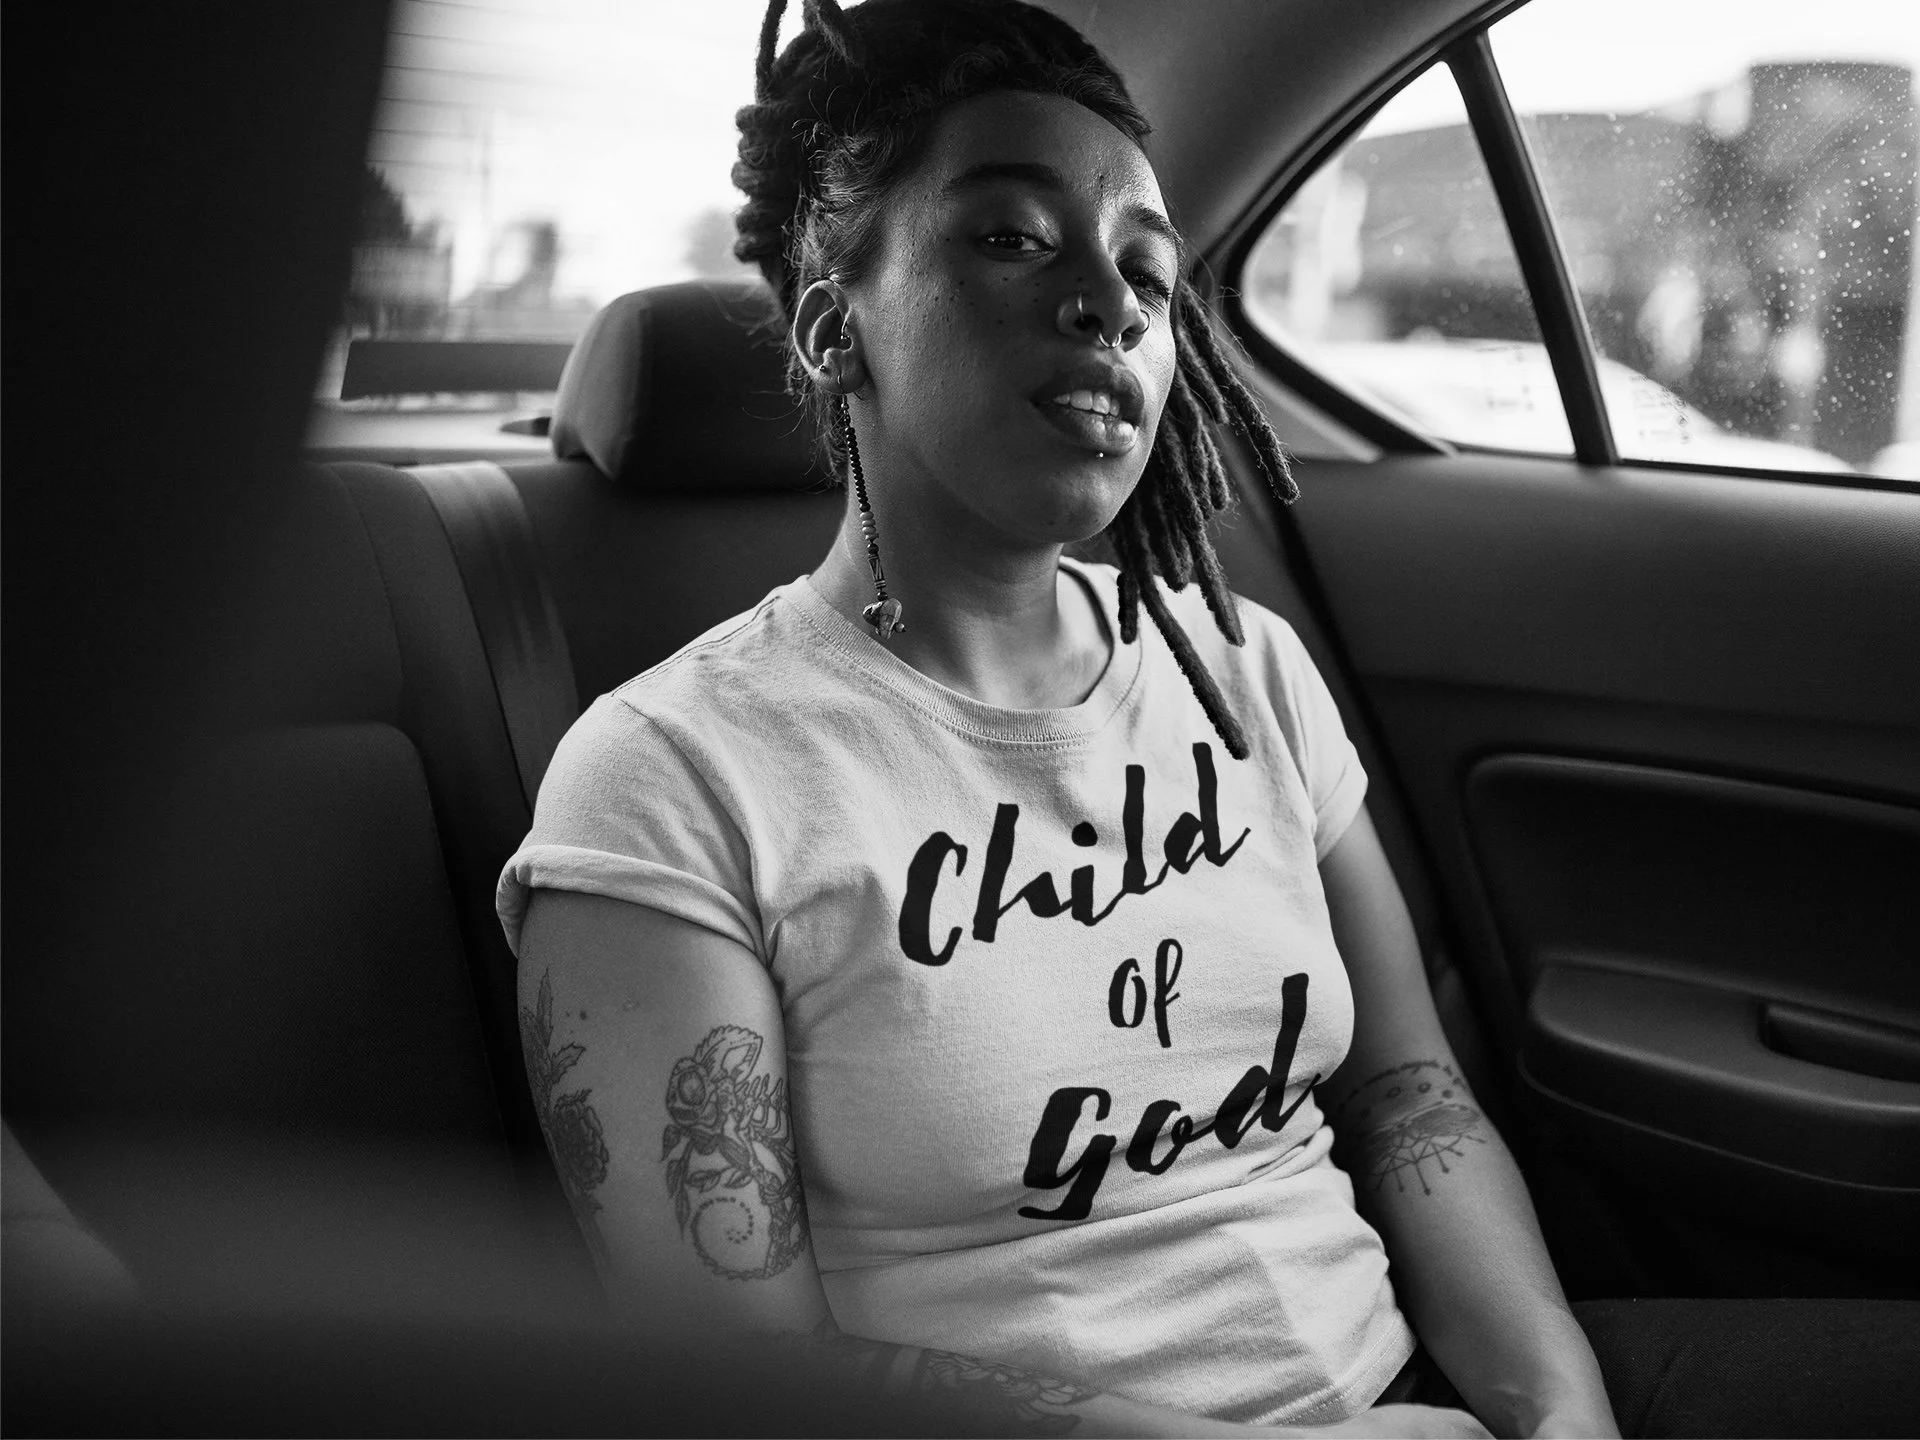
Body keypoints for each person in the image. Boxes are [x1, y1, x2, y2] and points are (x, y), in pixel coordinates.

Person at [496, 1, 1607, 1434]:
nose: (1113, 304)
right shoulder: (670, 780)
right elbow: (745, 1383)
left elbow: (1404, 1094)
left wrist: (1557, 1404)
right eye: (1014, 237)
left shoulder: (1244, 668)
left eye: (1149, 270)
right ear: (837, 329)